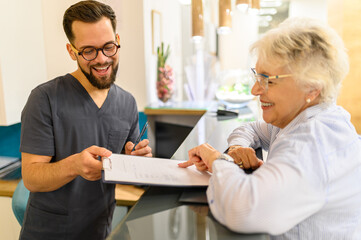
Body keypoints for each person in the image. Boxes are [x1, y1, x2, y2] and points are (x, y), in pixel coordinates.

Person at [179, 17, 361, 239]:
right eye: (257, 76)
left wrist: (220, 161)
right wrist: (237, 148)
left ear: (311, 88)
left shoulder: (313, 143)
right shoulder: (297, 120)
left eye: (268, 80)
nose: (255, 90)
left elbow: (242, 210)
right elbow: (252, 130)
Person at [19, 1, 152, 239]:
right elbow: (31, 178)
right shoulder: (45, 98)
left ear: (117, 40)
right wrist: (74, 166)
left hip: (100, 230)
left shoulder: (127, 103)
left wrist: (135, 161)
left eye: (108, 47)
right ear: (72, 51)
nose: (102, 59)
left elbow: (123, 166)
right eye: (89, 50)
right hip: (49, 233)